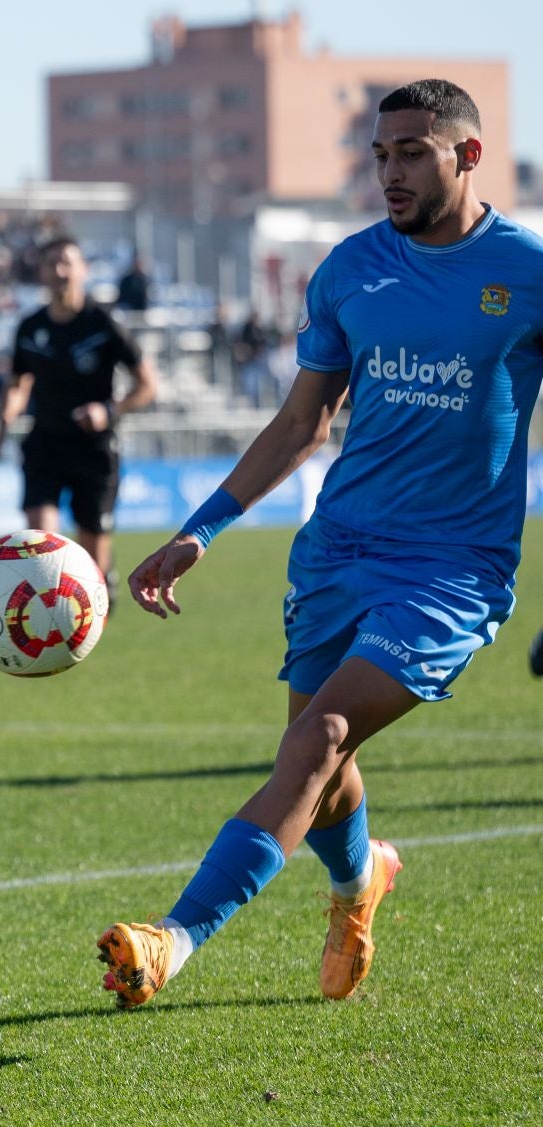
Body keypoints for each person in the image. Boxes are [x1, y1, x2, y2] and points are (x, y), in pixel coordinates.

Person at [101, 79, 542, 1008]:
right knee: (320, 762)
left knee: (322, 735)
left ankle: (173, 939)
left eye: (412, 152)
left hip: (452, 570)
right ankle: (358, 883)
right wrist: (198, 532)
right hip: (337, 550)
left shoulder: (528, 270)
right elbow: (303, 420)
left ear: (467, 155)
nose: (390, 172)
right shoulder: (348, 268)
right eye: (380, 154)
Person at [0, 237, 157, 592]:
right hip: (45, 442)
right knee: (41, 543)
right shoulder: (30, 327)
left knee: (94, 555)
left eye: (67, 262)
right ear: (42, 273)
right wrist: (1, 428)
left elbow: (148, 386)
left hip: (94, 447)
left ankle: (101, 590)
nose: (60, 270)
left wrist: (109, 410)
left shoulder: (103, 323)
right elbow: (19, 384)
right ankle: (51, 620)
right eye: (52, 263)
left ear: (83, 270)